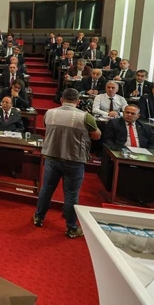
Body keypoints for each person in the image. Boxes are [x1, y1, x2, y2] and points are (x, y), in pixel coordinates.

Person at [33, 88, 101, 238]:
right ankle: (71, 228)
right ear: (78, 101)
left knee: (46, 189)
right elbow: (96, 136)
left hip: (52, 156)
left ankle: (39, 217)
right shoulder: (85, 116)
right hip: (74, 160)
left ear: (62, 100)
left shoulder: (50, 113)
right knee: (71, 194)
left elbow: (47, 127)